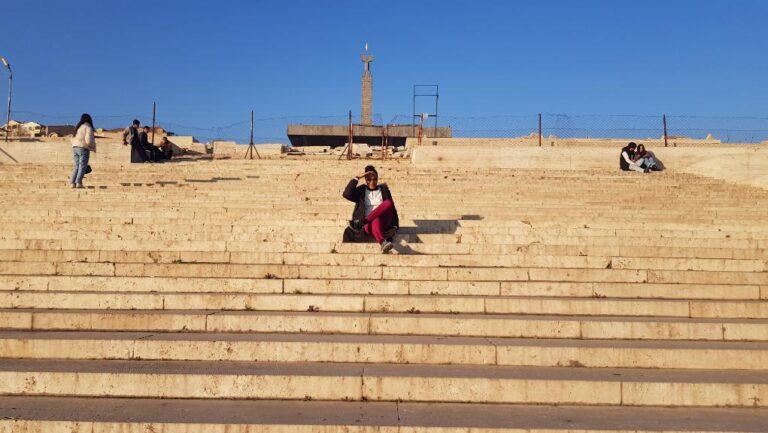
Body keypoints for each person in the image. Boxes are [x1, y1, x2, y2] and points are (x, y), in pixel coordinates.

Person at [342, 165, 400, 253]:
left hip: (383, 221)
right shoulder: (361, 191)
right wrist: (357, 178)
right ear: (365, 180)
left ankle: (364, 221)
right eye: (369, 179)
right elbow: (347, 194)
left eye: (375, 179)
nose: (372, 182)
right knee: (376, 220)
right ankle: (383, 242)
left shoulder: (384, 190)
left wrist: (395, 226)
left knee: (388, 203)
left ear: (377, 179)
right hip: (368, 226)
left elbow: (393, 209)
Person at [70, 113, 96, 188]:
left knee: (76, 166)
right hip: (83, 147)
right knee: (82, 166)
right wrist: (90, 146)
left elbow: (72, 138)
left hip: (75, 147)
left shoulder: (78, 127)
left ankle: (72, 182)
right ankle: (78, 182)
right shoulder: (88, 127)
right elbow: (89, 139)